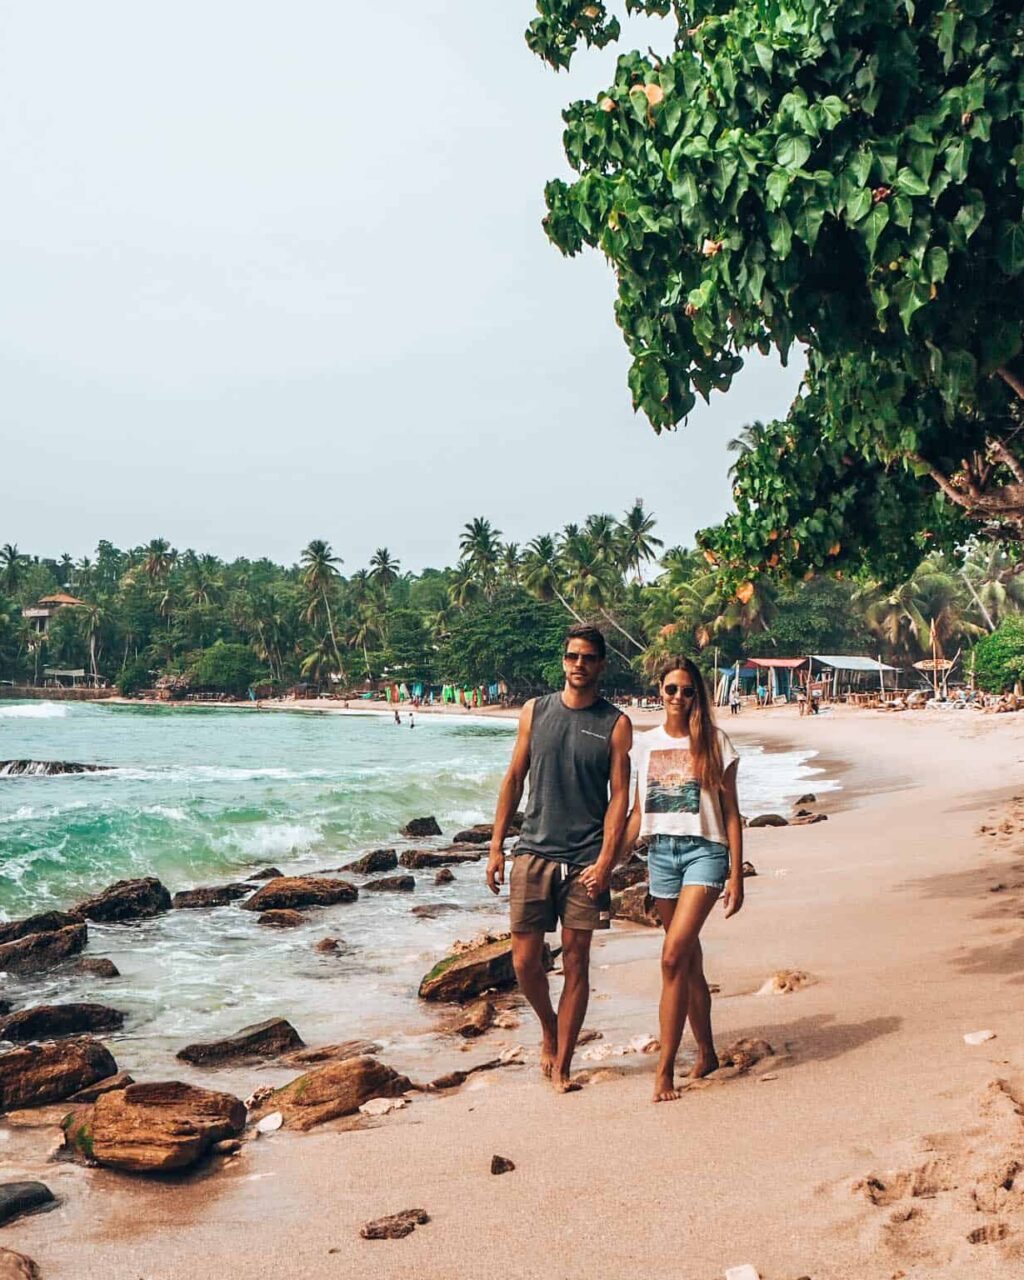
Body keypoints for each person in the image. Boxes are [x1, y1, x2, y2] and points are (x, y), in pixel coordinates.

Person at [487, 624, 632, 1093]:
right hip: (532, 851)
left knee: (576, 961)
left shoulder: (616, 723)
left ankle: (564, 1061)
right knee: (525, 962)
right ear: (563, 660)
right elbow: (513, 778)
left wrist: (607, 858)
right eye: (572, 656)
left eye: (588, 658)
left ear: (601, 665)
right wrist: (495, 847)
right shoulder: (535, 711)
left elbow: (620, 797)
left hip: (586, 859)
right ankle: (549, 1026)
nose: (579, 664)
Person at [624, 656, 744, 1102]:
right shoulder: (644, 745)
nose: (678, 697)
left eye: (687, 690)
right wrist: (608, 862)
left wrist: (736, 875)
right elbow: (640, 813)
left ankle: (664, 1072)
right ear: (660, 691)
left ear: (698, 695)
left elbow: (731, 813)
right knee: (689, 960)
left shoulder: (715, 741)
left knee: (672, 957)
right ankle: (708, 1052)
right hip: (661, 856)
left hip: (705, 854)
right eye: (672, 689)